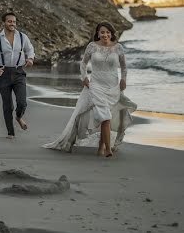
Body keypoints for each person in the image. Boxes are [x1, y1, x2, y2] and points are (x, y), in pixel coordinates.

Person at [42, 22, 136, 156]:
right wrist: (84, 77)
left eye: (108, 32)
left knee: (107, 116)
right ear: (97, 33)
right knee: (105, 116)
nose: (105, 34)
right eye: (102, 32)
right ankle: (108, 150)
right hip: (96, 85)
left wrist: (123, 80)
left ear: (112, 33)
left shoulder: (118, 47)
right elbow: (83, 63)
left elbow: (124, 67)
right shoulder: (92, 46)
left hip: (113, 87)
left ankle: (101, 146)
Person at [0, 11, 35, 139]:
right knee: (7, 105)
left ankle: (19, 117)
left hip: (19, 72)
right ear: (4, 23)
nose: (12, 23)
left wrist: (30, 58)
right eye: (9, 21)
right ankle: (10, 132)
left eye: (14, 21)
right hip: (4, 74)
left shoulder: (23, 37)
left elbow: (30, 49)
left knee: (22, 102)